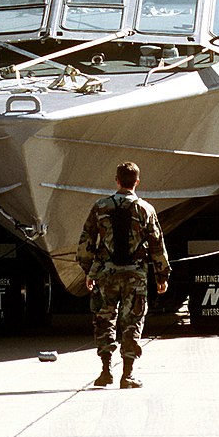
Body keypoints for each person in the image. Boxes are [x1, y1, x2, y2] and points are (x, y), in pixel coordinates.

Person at [76, 161, 170, 389]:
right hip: (135, 275)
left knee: (104, 320)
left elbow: (86, 242)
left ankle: (105, 371)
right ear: (137, 182)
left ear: (117, 180)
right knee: (132, 322)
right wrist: (161, 275)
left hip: (106, 274)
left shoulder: (100, 207)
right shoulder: (146, 210)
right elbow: (157, 244)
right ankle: (127, 375)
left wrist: (90, 271)